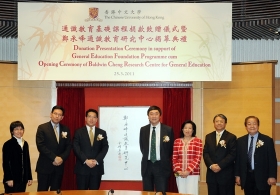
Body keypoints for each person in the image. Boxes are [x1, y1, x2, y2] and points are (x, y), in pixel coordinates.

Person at [235, 116, 277, 195]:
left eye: (254, 124)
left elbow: (272, 159)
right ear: (246, 126)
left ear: (258, 125)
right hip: (246, 176)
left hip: (263, 177)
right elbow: (238, 160)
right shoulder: (240, 141)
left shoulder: (267, 140)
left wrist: (272, 176)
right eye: (249, 124)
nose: (252, 126)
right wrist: (237, 175)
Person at [35, 105, 71, 191]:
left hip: (59, 167)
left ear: (62, 117)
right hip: (45, 166)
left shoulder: (65, 129)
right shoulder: (42, 128)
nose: (57, 116)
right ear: (51, 114)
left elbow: (69, 146)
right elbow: (41, 146)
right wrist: (54, 158)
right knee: (42, 192)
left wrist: (61, 158)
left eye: (59, 115)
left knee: (56, 191)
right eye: (55, 113)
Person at [139, 105, 174, 192]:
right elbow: (142, 147)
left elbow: (170, 149)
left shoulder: (168, 130)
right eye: (151, 114)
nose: (154, 116)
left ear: (160, 116)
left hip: (161, 166)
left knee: (162, 192)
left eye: (156, 114)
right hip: (147, 166)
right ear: (148, 116)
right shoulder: (143, 130)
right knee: (147, 192)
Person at [73, 108, 109, 190]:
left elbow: (105, 148)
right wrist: (86, 160)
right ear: (85, 118)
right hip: (82, 168)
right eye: (89, 116)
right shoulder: (78, 132)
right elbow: (76, 147)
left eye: (94, 117)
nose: (91, 119)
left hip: (96, 169)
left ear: (97, 119)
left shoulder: (102, 132)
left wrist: (96, 160)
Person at [203, 114, 236, 195]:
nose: (219, 123)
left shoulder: (231, 137)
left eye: (221, 121)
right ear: (214, 123)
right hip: (212, 175)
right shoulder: (208, 136)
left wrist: (220, 165)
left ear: (225, 123)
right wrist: (211, 165)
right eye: (217, 121)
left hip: (226, 175)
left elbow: (232, 154)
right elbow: (205, 153)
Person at [172, 120, 202, 195]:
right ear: (182, 129)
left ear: (193, 130)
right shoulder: (177, 141)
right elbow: (174, 158)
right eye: (185, 128)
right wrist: (179, 170)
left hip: (193, 173)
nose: (187, 130)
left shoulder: (198, 141)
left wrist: (188, 170)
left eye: (190, 128)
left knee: (192, 192)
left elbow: (197, 158)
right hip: (179, 173)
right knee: (181, 192)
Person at [2, 121, 33, 193]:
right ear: (12, 131)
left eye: (21, 129)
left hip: (23, 179)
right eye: (16, 129)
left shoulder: (25, 144)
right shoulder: (8, 144)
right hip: (12, 180)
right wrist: (8, 178)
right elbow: (6, 163)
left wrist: (29, 177)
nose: (19, 131)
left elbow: (27, 161)